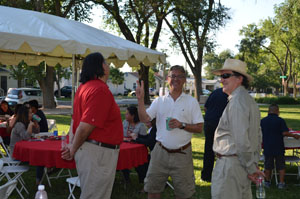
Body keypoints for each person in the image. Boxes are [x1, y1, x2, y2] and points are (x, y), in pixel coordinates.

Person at [61, 52, 123, 199]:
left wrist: (72, 146)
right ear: (101, 67)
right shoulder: (99, 90)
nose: (108, 66)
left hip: (91, 150)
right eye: (106, 63)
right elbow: (85, 126)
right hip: (98, 153)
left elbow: (74, 121)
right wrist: (72, 148)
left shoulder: (83, 88)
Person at [136, 65, 203, 199]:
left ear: (184, 80)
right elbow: (144, 119)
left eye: (179, 76)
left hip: (182, 154)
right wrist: (140, 99)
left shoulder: (191, 102)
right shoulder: (159, 101)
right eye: (173, 76)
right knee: (153, 191)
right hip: (160, 153)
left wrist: (182, 125)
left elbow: (199, 128)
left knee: (183, 194)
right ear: (167, 79)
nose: (176, 79)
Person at [211, 58, 264, 199]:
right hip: (241, 165)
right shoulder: (248, 100)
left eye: (226, 76)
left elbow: (241, 140)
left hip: (230, 167)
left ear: (239, 79)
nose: (221, 80)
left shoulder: (237, 102)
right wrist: (252, 165)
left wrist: (252, 168)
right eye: (221, 76)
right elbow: (257, 136)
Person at [261, 104, 300, 189]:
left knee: (268, 165)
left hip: (268, 146)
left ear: (268, 111)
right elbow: (284, 133)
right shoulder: (280, 120)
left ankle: (267, 182)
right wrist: (294, 136)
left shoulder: (263, 121)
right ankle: (281, 183)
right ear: (277, 111)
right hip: (278, 146)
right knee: (281, 165)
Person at [201, 88, 228, 182]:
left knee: (208, 149)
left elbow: (205, 107)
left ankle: (206, 175)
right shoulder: (229, 94)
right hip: (220, 124)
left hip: (209, 122)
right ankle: (222, 175)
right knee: (223, 150)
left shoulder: (215, 92)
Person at [122, 105, 147, 183]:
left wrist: (135, 138)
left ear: (132, 116)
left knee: (138, 163)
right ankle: (126, 178)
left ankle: (142, 179)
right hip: (125, 146)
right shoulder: (125, 122)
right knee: (123, 158)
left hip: (137, 149)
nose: (125, 115)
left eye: (127, 114)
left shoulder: (141, 125)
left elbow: (144, 139)